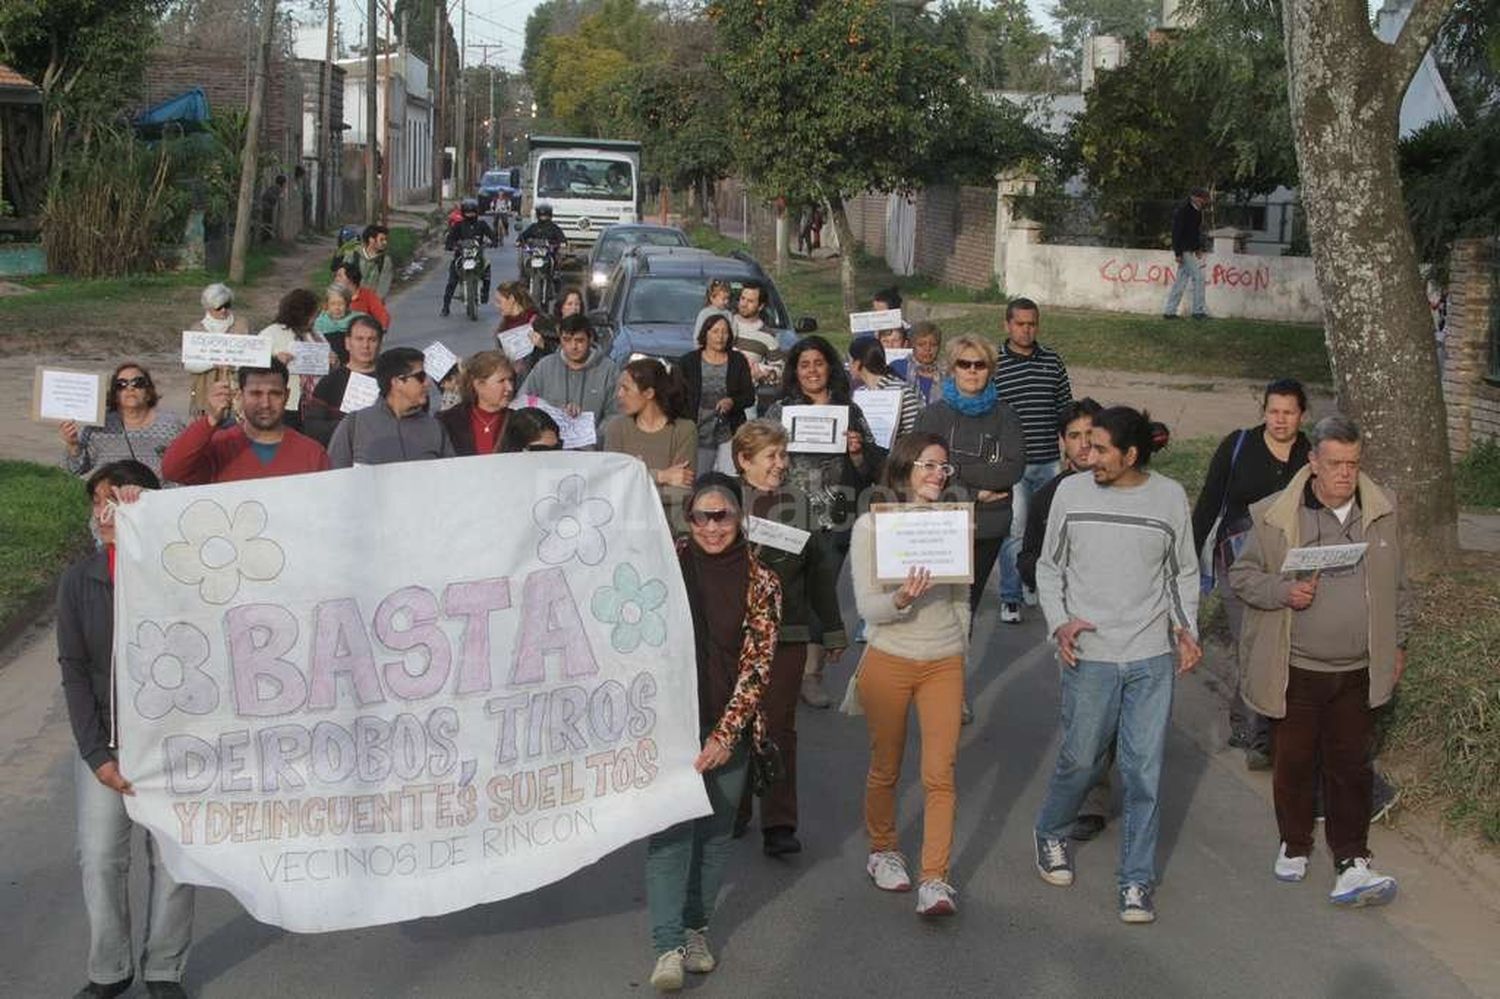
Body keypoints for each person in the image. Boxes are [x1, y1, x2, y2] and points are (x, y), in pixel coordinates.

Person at [1229, 414, 1409, 906]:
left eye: (1352, 464)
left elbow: (1398, 587)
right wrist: (1284, 591)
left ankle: (1352, 859)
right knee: (1294, 760)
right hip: (1297, 667)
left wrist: (1397, 646)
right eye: (1334, 464)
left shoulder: (1382, 513)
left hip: (1356, 668)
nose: (1344, 474)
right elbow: (1242, 577)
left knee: (1351, 765)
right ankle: (1295, 842)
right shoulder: (1275, 515)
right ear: (1313, 462)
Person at [1033, 407, 1201, 925]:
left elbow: (1183, 572)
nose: (1089, 455)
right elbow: (1049, 567)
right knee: (1082, 760)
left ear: (1131, 455)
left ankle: (1135, 881)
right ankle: (1051, 831)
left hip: (1150, 655)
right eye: (1087, 445)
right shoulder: (1071, 493)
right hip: (1091, 654)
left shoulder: (1169, 497)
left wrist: (1185, 628)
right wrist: (1059, 623)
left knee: (1144, 771)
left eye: (1102, 448)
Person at [59, 460, 195, 999]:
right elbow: (72, 667)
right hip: (107, 745)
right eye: (99, 501)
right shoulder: (81, 579)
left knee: (174, 861)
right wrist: (96, 754)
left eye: (121, 498)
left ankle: (164, 968)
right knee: (100, 857)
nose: (108, 510)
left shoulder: (177, 573)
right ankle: (109, 970)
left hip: (170, 746)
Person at [646, 474, 779, 992]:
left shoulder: (762, 579)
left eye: (721, 515)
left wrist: (726, 734)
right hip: (669, 724)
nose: (711, 526)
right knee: (671, 835)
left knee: (715, 833)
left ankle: (696, 930)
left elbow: (758, 666)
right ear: (689, 520)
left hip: (730, 723)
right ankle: (666, 947)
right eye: (701, 516)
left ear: (738, 517)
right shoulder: (665, 564)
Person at [851, 433, 968, 917]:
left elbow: (962, 599)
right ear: (903, 469)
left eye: (945, 468)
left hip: (944, 660)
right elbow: (868, 608)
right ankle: (883, 851)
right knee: (886, 766)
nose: (939, 475)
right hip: (890, 657)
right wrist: (901, 600)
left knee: (941, 773)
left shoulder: (953, 524)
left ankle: (935, 879)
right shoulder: (871, 527)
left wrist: (960, 649)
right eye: (929, 465)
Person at [731, 420, 845, 856]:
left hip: (789, 634)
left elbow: (818, 573)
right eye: (771, 456)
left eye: (784, 455)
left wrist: (832, 629)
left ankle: (778, 823)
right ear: (744, 460)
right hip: (734, 638)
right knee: (737, 723)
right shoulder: (723, 503)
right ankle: (734, 810)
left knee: (777, 728)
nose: (781, 464)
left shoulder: (796, 505)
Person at [1193, 378, 1312, 770]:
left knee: (1284, 647)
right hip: (1238, 561)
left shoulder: (1309, 453)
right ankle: (1255, 733)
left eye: (1288, 413)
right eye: (1273, 411)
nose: (1280, 420)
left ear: (1301, 415)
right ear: (1264, 411)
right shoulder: (1239, 444)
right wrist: (1189, 556)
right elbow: (1211, 500)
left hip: (1288, 563)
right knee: (1253, 642)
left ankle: (1269, 723)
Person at [764, 336, 883, 708]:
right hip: (786, 516)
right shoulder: (779, 411)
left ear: (830, 367)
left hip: (834, 519)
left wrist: (859, 451)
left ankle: (810, 675)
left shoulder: (849, 412)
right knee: (779, 595)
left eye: (819, 362)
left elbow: (871, 469)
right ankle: (772, 669)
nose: (812, 370)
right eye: (804, 364)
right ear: (794, 371)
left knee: (819, 598)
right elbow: (755, 453)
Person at [1018, 398, 1111, 840]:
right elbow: (1027, 559)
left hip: (1122, 615)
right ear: (1061, 442)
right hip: (1071, 619)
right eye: (1073, 436)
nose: (1083, 445)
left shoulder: (1123, 488)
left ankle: (1101, 776)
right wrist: (1055, 578)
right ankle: (1089, 798)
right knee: (1084, 710)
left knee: (1116, 711)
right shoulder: (1048, 497)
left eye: (1090, 435)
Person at [914, 334, 1025, 617]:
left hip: (986, 525)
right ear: (953, 369)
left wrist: (955, 469)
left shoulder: (1006, 416)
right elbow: (922, 472)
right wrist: (976, 492)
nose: (972, 371)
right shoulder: (931, 416)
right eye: (965, 364)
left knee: (965, 608)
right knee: (934, 607)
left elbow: (1011, 469)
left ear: (991, 370)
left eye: (980, 364)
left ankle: (956, 662)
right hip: (940, 521)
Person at [993, 297, 1073, 625]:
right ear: (1007, 325)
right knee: (1014, 531)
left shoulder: (1052, 361)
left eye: (1032, 324)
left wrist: (1071, 449)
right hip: (1013, 466)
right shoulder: (995, 363)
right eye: (1020, 323)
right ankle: (1010, 597)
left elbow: (1066, 408)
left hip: (1049, 461)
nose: (1027, 330)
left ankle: (1031, 581)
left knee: (1045, 532)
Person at [162, 360, 330, 484]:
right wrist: (211, 420)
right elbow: (173, 470)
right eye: (255, 394)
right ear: (240, 396)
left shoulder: (312, 454)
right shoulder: (218, 446)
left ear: (286, 395)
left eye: (274, 394)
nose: (265, 403)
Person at [604, 358, 697, 530]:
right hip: (624, 527)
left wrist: (634, 479)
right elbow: (612, 486)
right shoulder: (616, 428)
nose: (619, 394)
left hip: (670, 529)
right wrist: (661, 476)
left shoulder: (684, 430)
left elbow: (680, 493)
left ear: (648, 393)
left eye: (625, 388)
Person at [328, 348, 456, 467]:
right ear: (396, 382)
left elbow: (450, 476)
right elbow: (333, 474)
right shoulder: (355, 424)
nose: (427, 383)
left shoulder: (435, 427)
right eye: (420, 377)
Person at [61, 364, 186, 481]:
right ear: (115, 395)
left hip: (157, 497)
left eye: (138, 383)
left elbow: (186, 468)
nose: (130, 388)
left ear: (148, 393)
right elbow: (75, 470)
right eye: (121, 384)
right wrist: (73, 445)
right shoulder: (97, 427)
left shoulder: (172, 425)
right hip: (111, 498)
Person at [679, 309, 755, 474]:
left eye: (725, 332)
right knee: (699, 480)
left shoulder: (738, 361)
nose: (720, 336)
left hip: (728, 433)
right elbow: (677, 397)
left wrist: (732, 402)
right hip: (697, 433)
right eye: (715, 331)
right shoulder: (688, 362)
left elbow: (749, 396)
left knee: (729, 480)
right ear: (705, 334)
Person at [520, 314, 620, 432]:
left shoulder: (609, 370)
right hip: (552, 445)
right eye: (567, 340)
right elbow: (523, 403)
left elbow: (617, 413)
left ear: (590, 339)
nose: (573, 346)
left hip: (593, 447)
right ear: (560, 339)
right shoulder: (544, 367)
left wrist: (594, 434)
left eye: (579, 341)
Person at [305, 315, 383, 447]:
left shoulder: (391, 380)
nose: (365, 345)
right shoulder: (329, 382)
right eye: (359, 339)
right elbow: (312, 428)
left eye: (372, 340)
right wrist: (349, 425)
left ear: (380, 344)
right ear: (347, 343)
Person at [260, 288, 326, 428]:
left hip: (313, 404)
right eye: (314, 314)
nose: (316, 318)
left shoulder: (315, 335)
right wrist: (275, 360)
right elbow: (252, 366)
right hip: (286, 404)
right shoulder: (271, 333)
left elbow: (326, 362)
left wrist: (332, 360)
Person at [185, 283, 249, 420]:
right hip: (205, 389)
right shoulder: (197, 329)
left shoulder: (241, 325)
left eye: (227, 305)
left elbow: (250, 357)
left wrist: (235, 365)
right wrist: (214, 363)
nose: (223, 310)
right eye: (218, 307)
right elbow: (189, 365)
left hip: (235, 390)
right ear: (208, 307)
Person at [437, 351, 516, 456]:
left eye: (510, 380)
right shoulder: (448, 421)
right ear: (479, 385)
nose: (510, 388)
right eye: (501, 381)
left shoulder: (520, 421)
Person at [849, 338, 920, 442]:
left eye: (850, 360)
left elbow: (913, 435)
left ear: (858, 363)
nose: (849, 366)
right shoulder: (859, 393)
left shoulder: (902, 391)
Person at [441, 198, 498, 317]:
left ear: (476, 212)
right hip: (461, 258)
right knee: (452, 281)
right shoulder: (458, 225)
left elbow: (491, 235)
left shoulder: (481, 224)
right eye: (467, 213)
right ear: (463, 213)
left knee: (487, 271)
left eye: (472, 212)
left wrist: (493, 241)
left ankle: (485, 293)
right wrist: (450, 246)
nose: (470, 215)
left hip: (478, 257)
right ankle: (445, 307)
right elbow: (450, 239)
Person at [730, 281, 783, 409]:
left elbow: (779, 370)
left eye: (750, 301)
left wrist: (764, 374)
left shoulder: (768, 336)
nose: (743, 304)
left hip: (746, 401)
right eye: (742, 298)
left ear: (760, 306)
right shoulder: (725, 323)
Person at [1163, 187, 1210, 320]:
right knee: (1199, 277)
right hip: (1183, 250)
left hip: (1189, 249)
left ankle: (1169, 312)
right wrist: (1177, 253)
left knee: (1181, 281)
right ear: (1194, 197)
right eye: (1202, 198)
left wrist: (1197, 248)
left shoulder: (1198, 212)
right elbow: (1176, 233)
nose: (1204, 201)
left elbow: (1194, 233)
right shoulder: (1183, 211)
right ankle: (1198, 311)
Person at [332, 256, 390, 333]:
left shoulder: (367, 295)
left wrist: (380, 329)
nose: (336, 279)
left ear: (351, 279)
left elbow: (382, 315)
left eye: (339, 276)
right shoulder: (333, 296)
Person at [341, 223, 393, 299]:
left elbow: (383, 285)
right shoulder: (352, 255)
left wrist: (373, 303)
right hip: (352, 301)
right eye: (381, 240)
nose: (385, 243)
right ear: (371, 239)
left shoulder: (385, 261)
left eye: (385, 239)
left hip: (372, 304)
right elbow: (342, 278)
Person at [315, 283, 363, 364]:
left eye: (341, 304)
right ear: (327, 305)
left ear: (347, 304)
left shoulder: (359, 320)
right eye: (333, 304)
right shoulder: (319, 323)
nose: (337, 308)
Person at [905, 321, 944, 406]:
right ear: (912, 345)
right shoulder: (899, 367)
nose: (927, 349)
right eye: (921, 344)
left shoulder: (948, 372)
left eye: (933, 345)